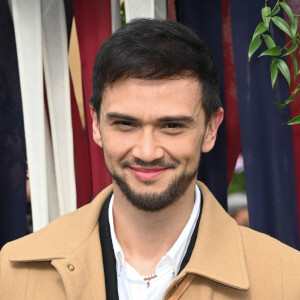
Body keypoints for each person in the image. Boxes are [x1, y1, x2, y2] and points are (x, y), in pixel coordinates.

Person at [1, 18, 300, 300]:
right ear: (96, 124)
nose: (147, 152)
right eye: (125, 124)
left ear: (211, 128)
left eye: (171, 126)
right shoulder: (14, 273)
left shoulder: (286, 280)